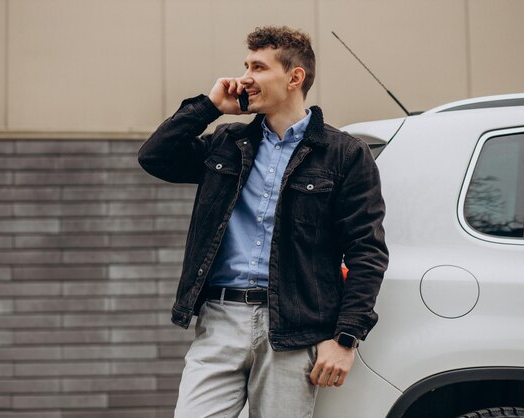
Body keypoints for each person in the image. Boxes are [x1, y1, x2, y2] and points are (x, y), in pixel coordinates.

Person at [138, 25, 388, 418]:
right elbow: (154, 157)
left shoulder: (344, 155)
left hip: (292, 327)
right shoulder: (227, 143)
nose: (245, 78)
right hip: (220, 320)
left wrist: (346, 337)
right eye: (245, 66)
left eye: (258, 67)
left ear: (294, 77)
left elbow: (367, 251)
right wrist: (209, 106)